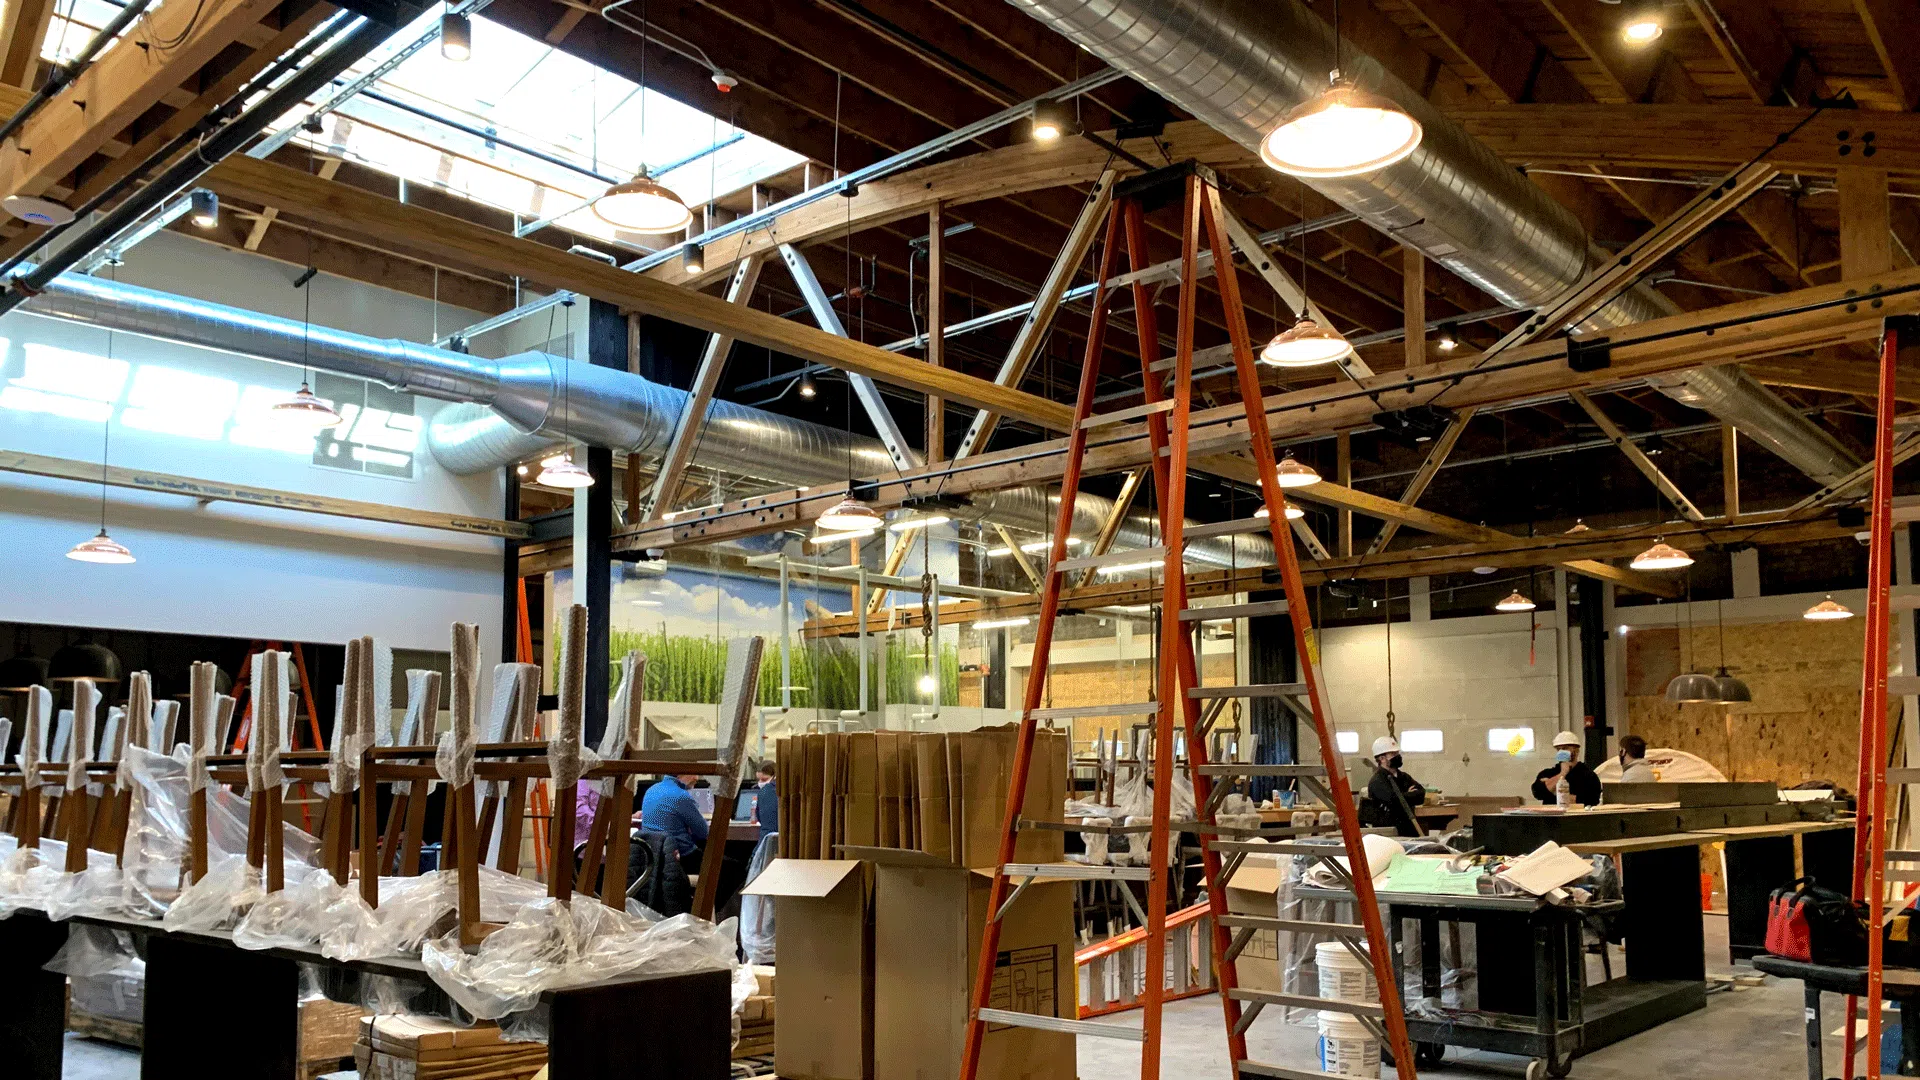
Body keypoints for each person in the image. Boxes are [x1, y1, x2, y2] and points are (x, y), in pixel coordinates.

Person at [641, 771, 710, 876]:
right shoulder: (681, 796)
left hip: (654, 859)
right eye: (694, 772)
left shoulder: (651, 790)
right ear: (680, 772)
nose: (696, 778)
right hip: (682, 859)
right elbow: (703, 833)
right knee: (735, 867)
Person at [1363, 736, 1427, 837]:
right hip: (1390, 834)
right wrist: (1409, 795)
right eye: (1393, 754)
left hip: (1409, 830)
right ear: (1382, 758)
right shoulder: (1377, 781)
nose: (1397, 756)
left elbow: (1420, 794)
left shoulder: (1404, 776)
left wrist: (1402, 796)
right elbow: (1394, 801)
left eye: (1397, 753)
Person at [1532, 730, 1601, 807]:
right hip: (1553, 818)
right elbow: (1538, 793)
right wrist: (1562, 774)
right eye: (1558, 749)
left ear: (1576, 750)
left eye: (1565, 748)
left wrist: (1555, 792)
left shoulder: (1589, 776)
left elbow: (1591, 801)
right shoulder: (1547, 773)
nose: (1561, 751)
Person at [755, 759, 779, 833]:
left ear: (775, 776)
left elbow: (759, 817)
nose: (760, 783)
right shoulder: (769, 791)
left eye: (764, 779)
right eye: (759, 779)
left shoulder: (765, 792)